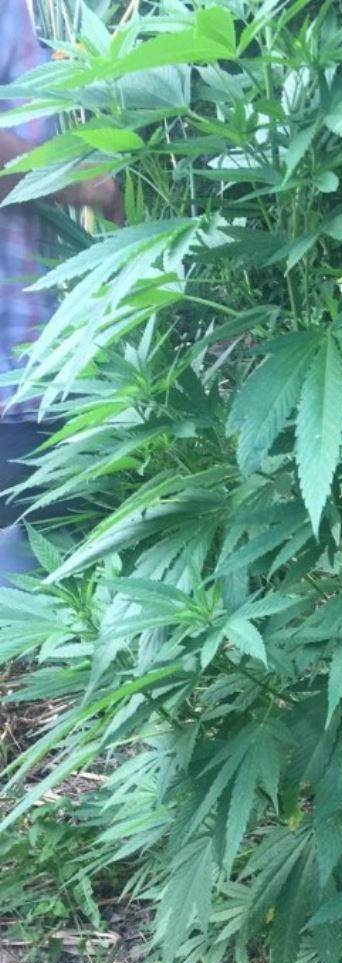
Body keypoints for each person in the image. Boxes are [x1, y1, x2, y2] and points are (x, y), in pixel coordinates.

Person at [0, 0, 122, 581]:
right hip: (19, 382)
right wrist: (92, 185)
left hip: (43, 368)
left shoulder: (37, 17)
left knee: (53, 583)